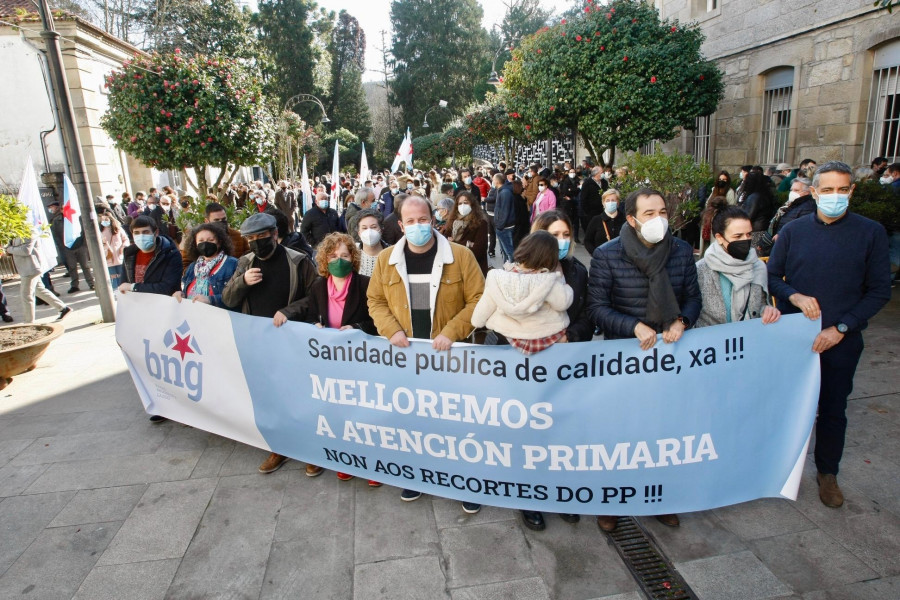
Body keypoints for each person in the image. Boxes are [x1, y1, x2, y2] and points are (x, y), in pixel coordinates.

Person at [767, 161, 891, 508]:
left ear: (851, 191)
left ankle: (827, 473)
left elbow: (879, 291)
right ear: (815, 191)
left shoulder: (870, 233)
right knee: (790, 407)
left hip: (842, 340)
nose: (835, 196)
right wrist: (794, 295)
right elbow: (772, 276)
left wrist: (842, 328)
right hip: (795, 339)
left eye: (843, 189)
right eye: (828, 189)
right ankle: (778, 470)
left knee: (833, 408)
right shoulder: (793, 231)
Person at [587, 188, 701, 532]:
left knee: (662, 433)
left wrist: (682, 321)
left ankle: (660, 499)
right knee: (620, 434)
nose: (659, 219)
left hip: (668, 359)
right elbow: (596, 309)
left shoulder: (681, 251)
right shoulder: (608, 255)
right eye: (649, 213)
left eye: (663, 211)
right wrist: (632, 325)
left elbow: (693, 298)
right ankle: (612, 502)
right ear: (632, 219)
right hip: (625, 359)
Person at [367, 195, 485, 512]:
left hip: (451, 357)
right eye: (411, 222)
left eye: (424, 220)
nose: (418, 227)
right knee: (415, 419)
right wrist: (391, 329)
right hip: (409, 359)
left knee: (459, 421)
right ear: (401, 225)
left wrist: (452, 330)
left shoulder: (460, 256)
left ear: (433, 220)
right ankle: (417, 475)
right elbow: (375, 301)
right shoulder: (386, 259)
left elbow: (479, 300)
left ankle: (466, 481)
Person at [277, 232, 379, 483]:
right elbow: (311, 312)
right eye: (333, 256)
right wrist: (308, 322)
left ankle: (372, 462)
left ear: (353, 258)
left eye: (344, 255)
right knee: (336, 412)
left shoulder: (366, 284)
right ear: (325, 259)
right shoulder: (319, 286)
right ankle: (345, 458)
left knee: (363, 413)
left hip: (359, 360)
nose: (339, 260)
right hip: (330, 361)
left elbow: (377, 320)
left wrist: (357, 328)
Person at [223, 213, 319, 474]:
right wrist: (242, 283)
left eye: (262, 237)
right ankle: (279, 448)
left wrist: (289, 311)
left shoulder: (298, 261)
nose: (256, 243)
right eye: (251, 238)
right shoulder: (245, 262)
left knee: (299, 396)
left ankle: (311, 450)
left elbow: (315, 297)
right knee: (271, 398)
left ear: (275, 234)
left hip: (291, 341)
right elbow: (228, 298)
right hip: (258, 343)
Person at [695, 204, 781, 327]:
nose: (745, 240)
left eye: (749, 234)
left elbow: (760, 306)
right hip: (711, 343)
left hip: (747, 340)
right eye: (738, 236)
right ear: (719, 238)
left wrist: (768, 311)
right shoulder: (700, 270)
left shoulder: (758, 267)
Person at [5, 237, 70, 323]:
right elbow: (10, 249)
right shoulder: (16, 232)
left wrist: (9, 249)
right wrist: (7, 249)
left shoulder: (30, 231)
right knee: (39, 291)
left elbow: (26, 250)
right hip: (25, 269)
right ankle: (63, 308)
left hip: (31, 269)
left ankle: (29, 323)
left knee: (26, 295)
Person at [174, 223, 239, 309]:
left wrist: (211, 300)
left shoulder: (232, 264)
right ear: (195, 244)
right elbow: (186, 290)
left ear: (219, 242)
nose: (205, 244)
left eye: (211, 240)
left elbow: (237, 295)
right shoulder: (192, 267)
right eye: (201, 241)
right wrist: (181, 294)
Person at [120, 216, 183, 298]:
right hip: (136, 304)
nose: (141, 236)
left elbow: (168, 287)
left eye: (145, 232)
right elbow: (124, 283)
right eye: (137, 233)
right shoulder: (129, 254)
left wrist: (133, 287)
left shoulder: (170, 254)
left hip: (162, 305)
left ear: (156, 233)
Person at [446, 191, 489, 275]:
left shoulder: (481, 223)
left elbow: (478, 250)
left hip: (474, 268)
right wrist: (467, 244)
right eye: (460, 203)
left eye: (465, 203)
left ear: (472, 204)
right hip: (455, 267)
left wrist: (453, 243)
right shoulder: (452, 221)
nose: (462, 206)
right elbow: (445, 242)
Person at [740, 171, 776, 247]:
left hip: (755, 231)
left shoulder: (754, 197)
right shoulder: (765, 195)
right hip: (762, 229)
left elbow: (749, 215)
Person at [583, 189, 625, 255]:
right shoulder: (596, 220)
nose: (610, 203)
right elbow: (587, 241)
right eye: (607, 201)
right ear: (603, 203)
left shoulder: (624, 219)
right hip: (602, 261)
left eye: (613, 200)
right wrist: (595, 254)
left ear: (618, 202)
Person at [98, 207, 130, 289]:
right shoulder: (99, 231)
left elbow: (125, 239)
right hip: (107, 257)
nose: (104, 222)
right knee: (112, 277)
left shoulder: (118, 229)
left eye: (106, 220)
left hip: (119, 257)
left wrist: (123, 247)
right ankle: (115, 291)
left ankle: (122, 290)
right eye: (103, 220)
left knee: (122, 275)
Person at [352, 208, 388, 277]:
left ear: (381, 230)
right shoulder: (352, 255)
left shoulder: (392, 253)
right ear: (359, 233)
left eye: (373, 227)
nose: (369, 231)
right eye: (364, 228)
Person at [494, 170, 517, 262]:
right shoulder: (502, 191)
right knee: (505, 251)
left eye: (493, 179)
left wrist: (500, 226)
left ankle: (511, 267)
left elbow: (505, 211)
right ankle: (507, 266)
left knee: (509, 251)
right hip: (504, 226)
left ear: (497, 181)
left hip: (506, 227)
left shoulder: (505, 193)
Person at [579, 166, 607, 235]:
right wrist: (587, 211)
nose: (603, 174)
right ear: (596, 173)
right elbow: (583, 199)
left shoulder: (604, 182)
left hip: (602, 211)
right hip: (591, 212)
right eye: (602, 172)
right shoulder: (587, 183)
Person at [559, 166, 581, 242]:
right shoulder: (565, 181)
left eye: (573, 172)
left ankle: (576, 237)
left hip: (576, 202)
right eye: (571, 172)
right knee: (569, 220)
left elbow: (579, 189)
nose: (572, 174)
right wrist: (573, 190)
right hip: (568, 203)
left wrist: (571, 189)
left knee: (576, 221)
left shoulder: (578, 180)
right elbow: (564, 191)